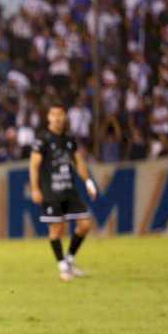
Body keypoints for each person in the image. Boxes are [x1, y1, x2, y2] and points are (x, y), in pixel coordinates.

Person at [29, 104, 98, 281]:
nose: (57, 118)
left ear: (65, 116)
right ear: (48, 118)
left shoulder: (68, 139)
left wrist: (88, 182)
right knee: (57, 229)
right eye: (54, 114)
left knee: (85, 224)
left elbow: (78, 162)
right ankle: (62, 267)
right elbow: (34, 165)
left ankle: (69, 260)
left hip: (70, 190)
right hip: (52, 192)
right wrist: (35, 188)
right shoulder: (42, 139)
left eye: (60, 114)